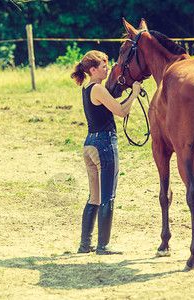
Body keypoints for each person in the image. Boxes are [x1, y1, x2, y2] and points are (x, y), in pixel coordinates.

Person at [71, 50, 142, 255]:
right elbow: (121, 111)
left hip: (90, 144)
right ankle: (103, 245)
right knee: (107, 195)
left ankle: (85, 244)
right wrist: (134, 93)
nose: (107, 69)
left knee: (94, 196)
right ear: (93, 70)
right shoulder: (98, 89)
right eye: (104, 66)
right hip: (104, 144)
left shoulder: (86, 88)